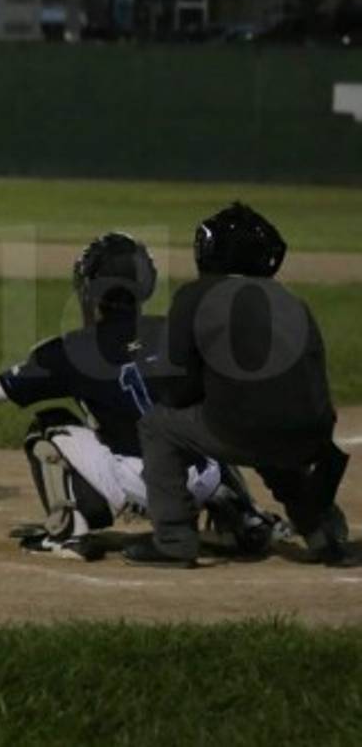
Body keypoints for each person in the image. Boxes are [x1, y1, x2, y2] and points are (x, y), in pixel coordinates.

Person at [0, 232, 277, 562]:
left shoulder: (72, 349)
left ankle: (69, 532)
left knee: (48, 425)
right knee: (205, 412)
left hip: (142, 486)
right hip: (203, 476)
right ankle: (243, 513)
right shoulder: (179, 330)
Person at [127, 202, 353, 568]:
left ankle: (173, 540)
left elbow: (177, 389)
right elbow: (310, 381)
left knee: (159, 425)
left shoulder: (196, 294)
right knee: (274, 443)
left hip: (244, 429)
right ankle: (322, 535)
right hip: (313, 436)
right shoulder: (293, 301)